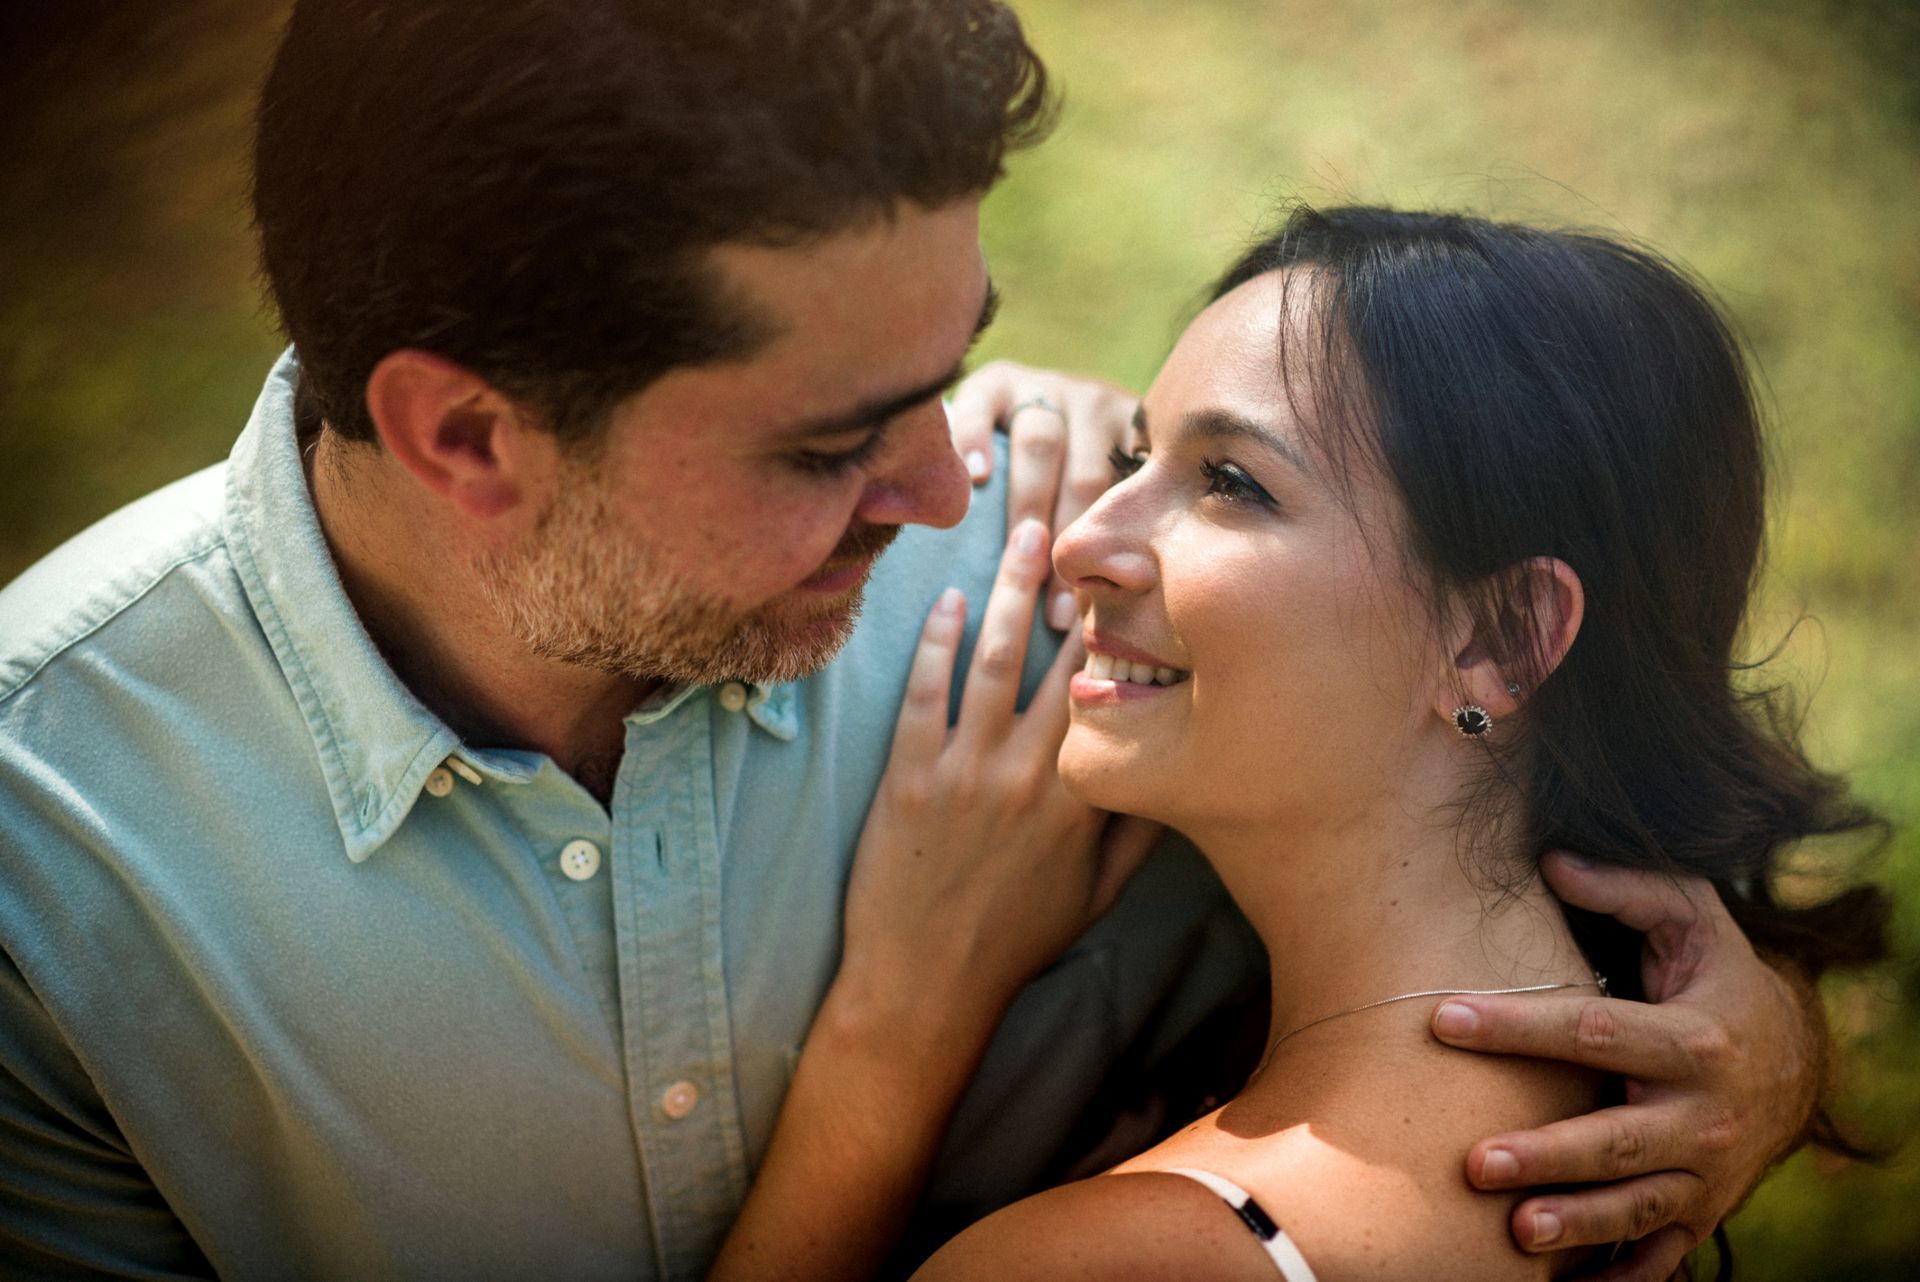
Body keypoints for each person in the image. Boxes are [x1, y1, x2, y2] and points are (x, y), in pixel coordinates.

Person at [0, 3, 1830, 1277]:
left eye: (944, 374)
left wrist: (1754, 1049)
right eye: (829, 443)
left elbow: (1512, 780)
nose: (966, 487)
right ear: (469, 437)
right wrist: (895, 1037)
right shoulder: (46, 859)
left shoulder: (1083, 606)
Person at [709, 207, 1889, 1282]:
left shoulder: (1119, 1261)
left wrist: (896, 1031)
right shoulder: (1609, 1146)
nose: (1081, 542)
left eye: (1230, 482)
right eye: (1132, 456)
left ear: (1500, 638)